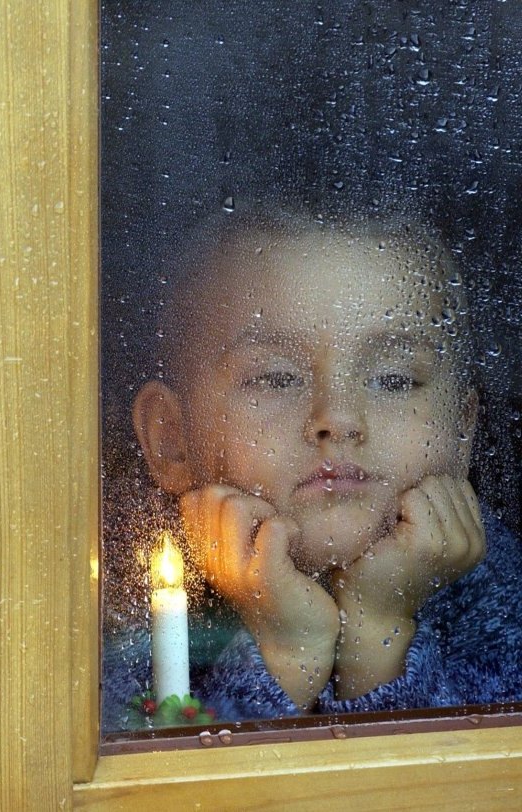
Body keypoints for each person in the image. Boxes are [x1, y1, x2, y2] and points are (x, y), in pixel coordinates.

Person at [105, 207, 522, 727]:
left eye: (393, 380)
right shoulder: (132, 597)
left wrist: (377, 634)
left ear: (462, 432)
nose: (338, 419)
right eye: (276, 378)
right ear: (173, 440)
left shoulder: (504, 597)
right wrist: (286, 655)